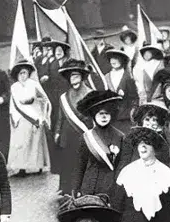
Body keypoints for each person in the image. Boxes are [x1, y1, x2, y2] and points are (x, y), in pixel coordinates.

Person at [53, 59, 96, 193]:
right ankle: (65, 188)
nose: (74, 79)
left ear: (82, 77)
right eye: (71, 76)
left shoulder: (90, 93)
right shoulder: (64, 97)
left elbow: (94, 116)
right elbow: (61, 116)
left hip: (83, 132)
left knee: (82, 161)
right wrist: (58, 132)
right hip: (67, 133)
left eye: (76, 76)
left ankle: (83, 188)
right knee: (67, 160)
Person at [74, 89, 126, 197]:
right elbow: (80, 165)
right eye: (100, 113)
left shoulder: (120, 136)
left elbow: (122, 165)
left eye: (107, 113)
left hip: (111, 185)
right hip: (90, 185)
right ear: (94, 115)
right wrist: (76, 187)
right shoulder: (86, 137)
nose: (104, 117)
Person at [7, 60, 51, 175]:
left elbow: (45, 99)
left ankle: (38, 166)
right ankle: (22, 168)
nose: (22, 76)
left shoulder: (34, 84)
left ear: (28, 74)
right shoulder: (14, 87)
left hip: (35, 117)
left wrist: (34, 100)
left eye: (25, 73)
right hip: (20, 117)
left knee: (36, 142)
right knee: (22, 142)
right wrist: (13, 118)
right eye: (20, 73)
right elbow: (13, 104)